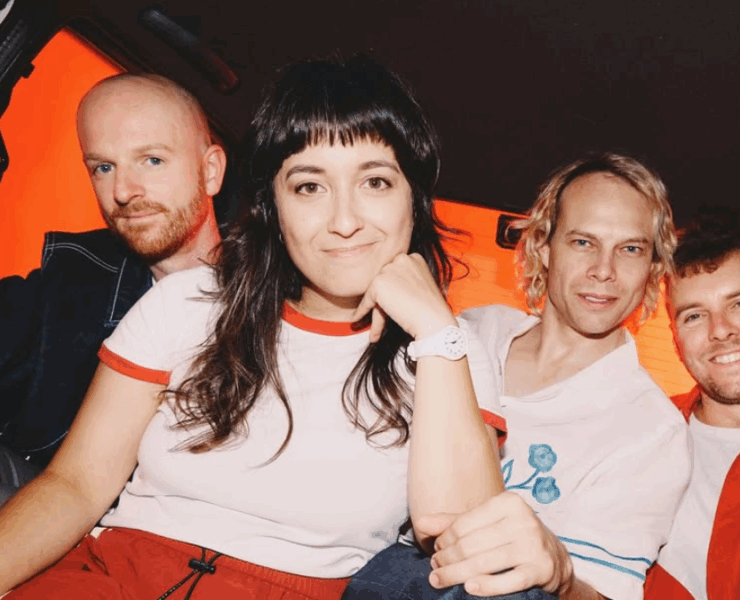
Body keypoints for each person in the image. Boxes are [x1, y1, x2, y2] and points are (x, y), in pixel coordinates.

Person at [0, 56, 508, 599]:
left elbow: (454, 535)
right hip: (109, 576)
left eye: (376, 182)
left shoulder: (451, 353)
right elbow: (75, 485)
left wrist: (433, 331)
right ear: (274, 206)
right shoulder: (186, 302)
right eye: (309, 187)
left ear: (415, 199)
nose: (344, 221)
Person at [344, 153, 691, 600]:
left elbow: (606, 593)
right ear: (544, 247)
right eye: (582, 242)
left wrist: (563, 578)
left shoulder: (653, 430)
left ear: (653, 268)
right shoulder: (474, 330)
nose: (604, 271)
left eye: (630, 249)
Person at [0, 73, 226, 502]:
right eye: (103, 168)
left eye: (152, 160)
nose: (123, 191)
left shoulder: (279, 299)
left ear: (210, 171)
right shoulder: (73, 282)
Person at [643, 208, 740, 600]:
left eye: (738, 304)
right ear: (675, 339)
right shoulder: (638, 437)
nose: (720, 330)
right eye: (695, 315)